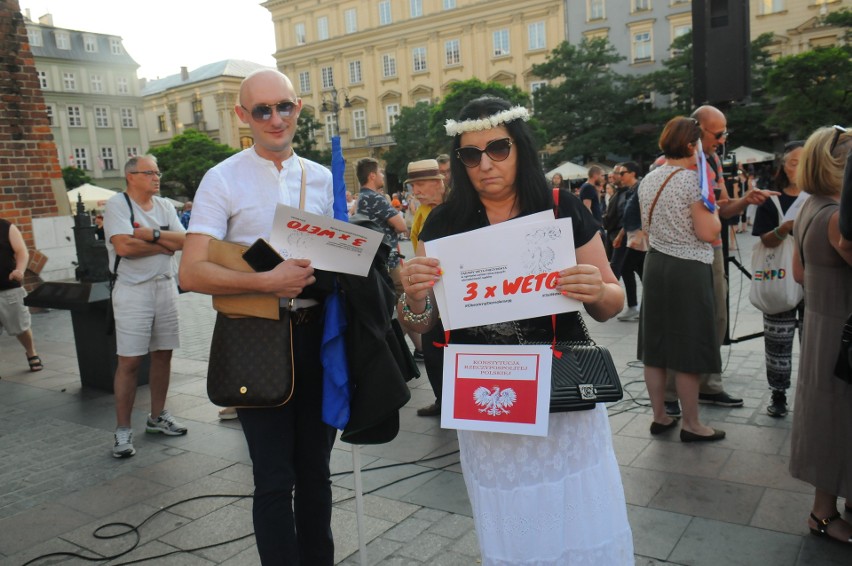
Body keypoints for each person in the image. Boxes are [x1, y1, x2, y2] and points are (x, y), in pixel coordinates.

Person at [399, 96, 633, 563]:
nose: (485, 164)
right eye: (470, 155)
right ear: (459, 162)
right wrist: (415, 298)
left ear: (520, 148)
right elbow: (421, 326)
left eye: (498, 149)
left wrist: (596, 289)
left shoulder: (560, 206)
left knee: (577, 509)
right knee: (511, 516)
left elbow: (613, 302)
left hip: (560, 392)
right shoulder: (444, 223)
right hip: (488, 396)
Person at [179, 69, 337, 565]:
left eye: (284, 107)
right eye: (262, 110)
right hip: (254, 337)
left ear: (298, 108)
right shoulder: (222, 177)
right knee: (273, 477)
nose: (275, 119)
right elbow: (191, 271)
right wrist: (266, 282)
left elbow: (330, 255)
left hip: (316, 336)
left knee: (316, 472)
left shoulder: (323, 175)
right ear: (242, 116)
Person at [663, 105, 774, 416]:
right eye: (718, 133)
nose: (723, 139)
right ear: (695, 130)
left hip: (711, 250)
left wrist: (745, 201)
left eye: (726, 132)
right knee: (683, 323)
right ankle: (671, 393)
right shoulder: (669, 165)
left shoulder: (711, 160)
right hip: (685, 253)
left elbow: (721, 207)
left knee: (717, 318)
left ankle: (709, 384)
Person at [637, 116, 724, 442]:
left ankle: (660, 415)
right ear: (691, 145)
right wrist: (715, 212)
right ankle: (692, 423)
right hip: (687, 267)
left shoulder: (649, 178)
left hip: (656, 264)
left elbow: (647, 226)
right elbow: (707, 231)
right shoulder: (691, 181)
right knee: (688, 346)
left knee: (655, 347)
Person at [789, 125, 852, 544]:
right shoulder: (836, 218)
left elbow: (799, 272)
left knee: (828, 418)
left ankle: (827, 509)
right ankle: (823, 515)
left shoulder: (811, 206)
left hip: (820, 325)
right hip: (842, 333)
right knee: (837, 421)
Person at [104, 155, 187, 458]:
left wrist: (151, 235)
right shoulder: (118, 205)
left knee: (163, 353)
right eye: (149, 173)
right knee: (130, 361)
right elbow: (124, 247)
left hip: (165, 285)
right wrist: (166, 243)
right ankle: (122, 430)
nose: (157, 177)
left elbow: (186, 240)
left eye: (157, 172)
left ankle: (157, 417)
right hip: (132, 290)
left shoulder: (165, 205)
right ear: (130, 176)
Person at [751, 141, 805, 417]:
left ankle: (812, 395)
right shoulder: (772, 200)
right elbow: (765, 238)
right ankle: (779, 394)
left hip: (814, 284)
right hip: (780, 279)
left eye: (804, 161)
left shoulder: (823, 197)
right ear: (783, 166)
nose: (798, 167)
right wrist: (784, 229)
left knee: (815, 344)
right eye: (793, 162)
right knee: (778, 341)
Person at [356, 158, 422, 359]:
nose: (383, 176)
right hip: (389, 261)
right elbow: (401, 225)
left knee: (401, 302)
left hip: (377, 259)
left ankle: (420, 349)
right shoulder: (375, 198)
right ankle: (390, 348)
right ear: (372, 175)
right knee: (407, 302)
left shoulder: (361, 198)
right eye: (381, 173)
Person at [404, 159, 447, 417]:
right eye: (413, 186)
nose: (416, 191)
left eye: (421, 184)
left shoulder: (452, 208)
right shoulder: (422, 211)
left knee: (441, 346)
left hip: (450, 287)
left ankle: (452, 399)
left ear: (439, 182)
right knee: (431, 347)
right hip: (427, 285)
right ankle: (442, 399)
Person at [0, 218, 42, 372]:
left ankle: (31, 352)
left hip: (8, 288)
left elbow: (21, 251)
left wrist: (20, 270)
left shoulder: (6, 227)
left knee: (21, 327)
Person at [609, 162, 643, 320]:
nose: (619, 176)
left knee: (638, 271)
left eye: (622, 173)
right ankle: (634, 306)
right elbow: (627, 217)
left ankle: (640, 307)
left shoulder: (640, 188)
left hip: (639, 238)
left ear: (633, 173)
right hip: (630, 238)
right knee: (628, 269)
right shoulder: (630, 191)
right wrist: (621, 236)